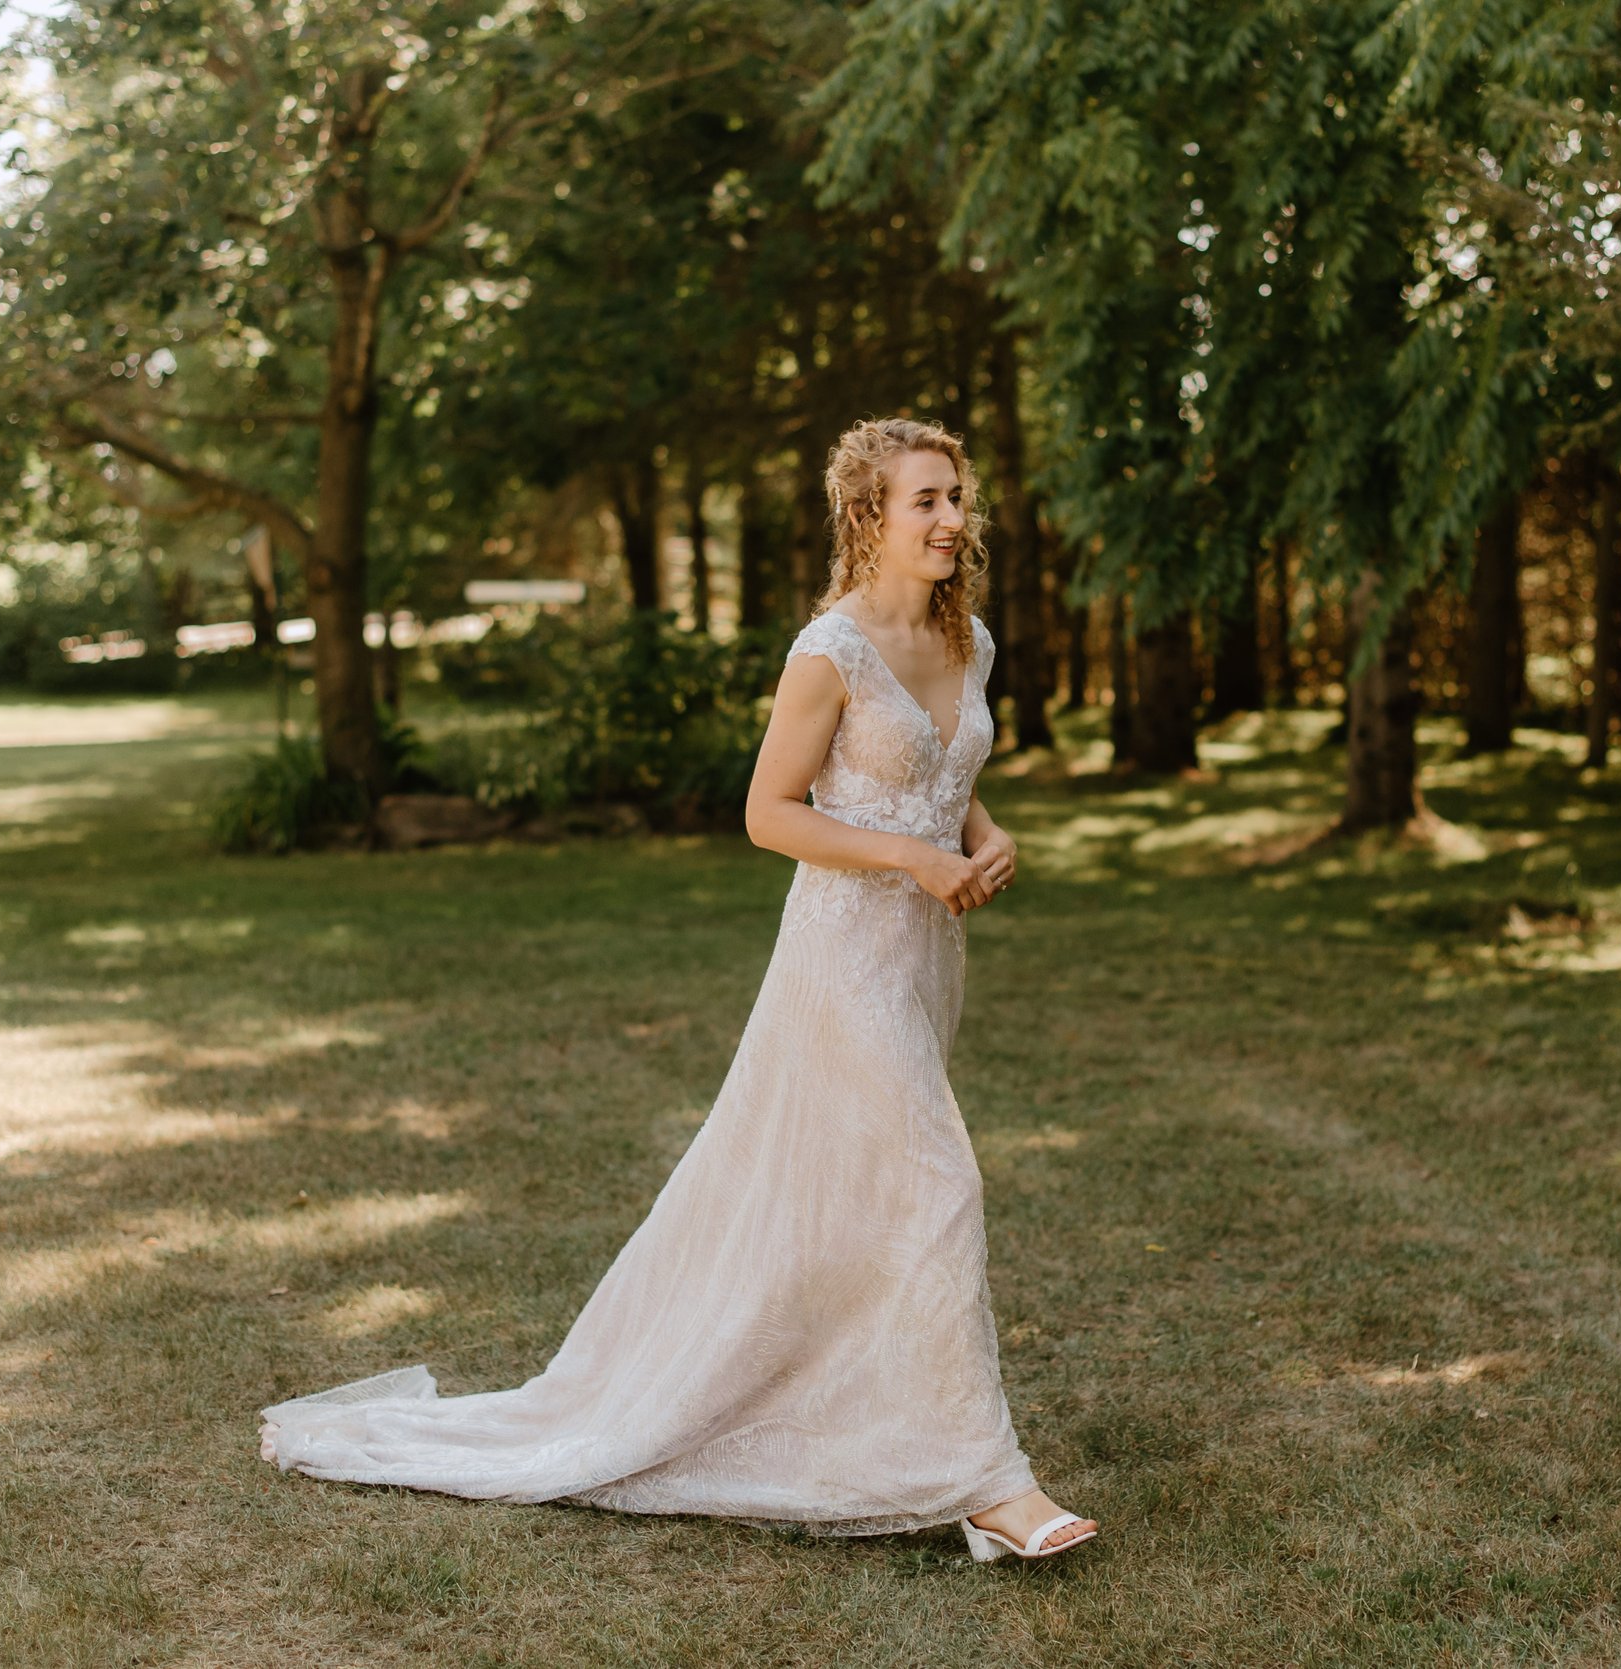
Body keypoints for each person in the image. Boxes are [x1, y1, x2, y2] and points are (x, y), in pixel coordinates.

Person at [257, 416, 1098, 1564]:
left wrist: (985, 839)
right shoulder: (830, 648)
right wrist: (915, 857)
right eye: (927, 500)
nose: (954, 519)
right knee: (938, 1181)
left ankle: (858, 1415)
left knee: (852, 1201)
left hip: (923, 959)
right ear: (868, 515)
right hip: (841, 956)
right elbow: (770, 813)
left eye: (958, 497)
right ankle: (989, 1484)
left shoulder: (972, 643)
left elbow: (949, 780)